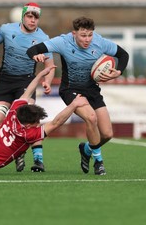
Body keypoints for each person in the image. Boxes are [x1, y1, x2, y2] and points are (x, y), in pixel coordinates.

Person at [26, 16, 129, 175]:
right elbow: (32, 49)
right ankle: (99, 162)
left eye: (89, 35)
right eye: (83, 35)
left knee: (107, 134)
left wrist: (118, 72)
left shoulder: (99, 42)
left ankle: (86, 149)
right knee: (91, 117)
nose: (87, 39)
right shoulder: (63, 42)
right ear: (74, 33)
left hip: (92, 90)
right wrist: (36, 56)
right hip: (70, 89)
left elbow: (123, 55)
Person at [0, 2, 55, 173]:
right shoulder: (6, 30)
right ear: (23, 16)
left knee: (31, 119)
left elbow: (50, 65)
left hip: (26, 82)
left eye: (36, 17)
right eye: (29, 16)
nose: (32, 20)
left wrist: (47, 81)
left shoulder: (43, 38)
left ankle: (38, 159)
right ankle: (17, 151)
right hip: (4, 81)